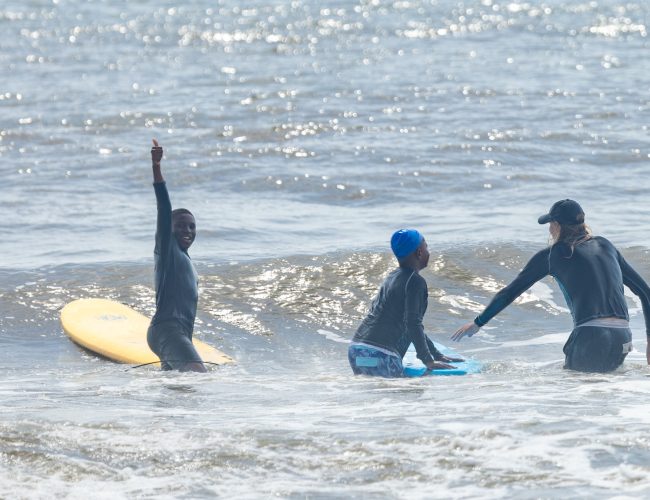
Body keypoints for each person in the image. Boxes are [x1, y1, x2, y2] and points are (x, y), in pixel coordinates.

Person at [452, 199, 650, 372]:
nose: (549, 229)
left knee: (576, 399)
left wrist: (478, 322)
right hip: (623, 337)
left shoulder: (555, 254)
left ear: (557, 225)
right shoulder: (606, 246)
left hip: (590, 335)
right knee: (605, 398)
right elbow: (645, 292)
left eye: (551, 223)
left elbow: (510, 292)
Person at [349, 229, 462, 377]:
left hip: (357, 352)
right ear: (419, 252)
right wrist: (428, 360)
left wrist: (436, 354)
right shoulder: (415, 281)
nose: (429, 252)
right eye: (426, 247)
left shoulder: (391, 277)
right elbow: (413, 323)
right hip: (381, 355)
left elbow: (411, 326)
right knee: (410, 394)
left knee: (377, 396)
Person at [146, 139, 206, 372]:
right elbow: (163, 206)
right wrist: (156, 167)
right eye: (181, 225)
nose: (187, 231)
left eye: (191, 226)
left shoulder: (185, 260)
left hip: (179, 333)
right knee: (198, 377)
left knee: (174, 393)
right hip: (167, 330)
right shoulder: (167, 249)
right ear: (168, 229)